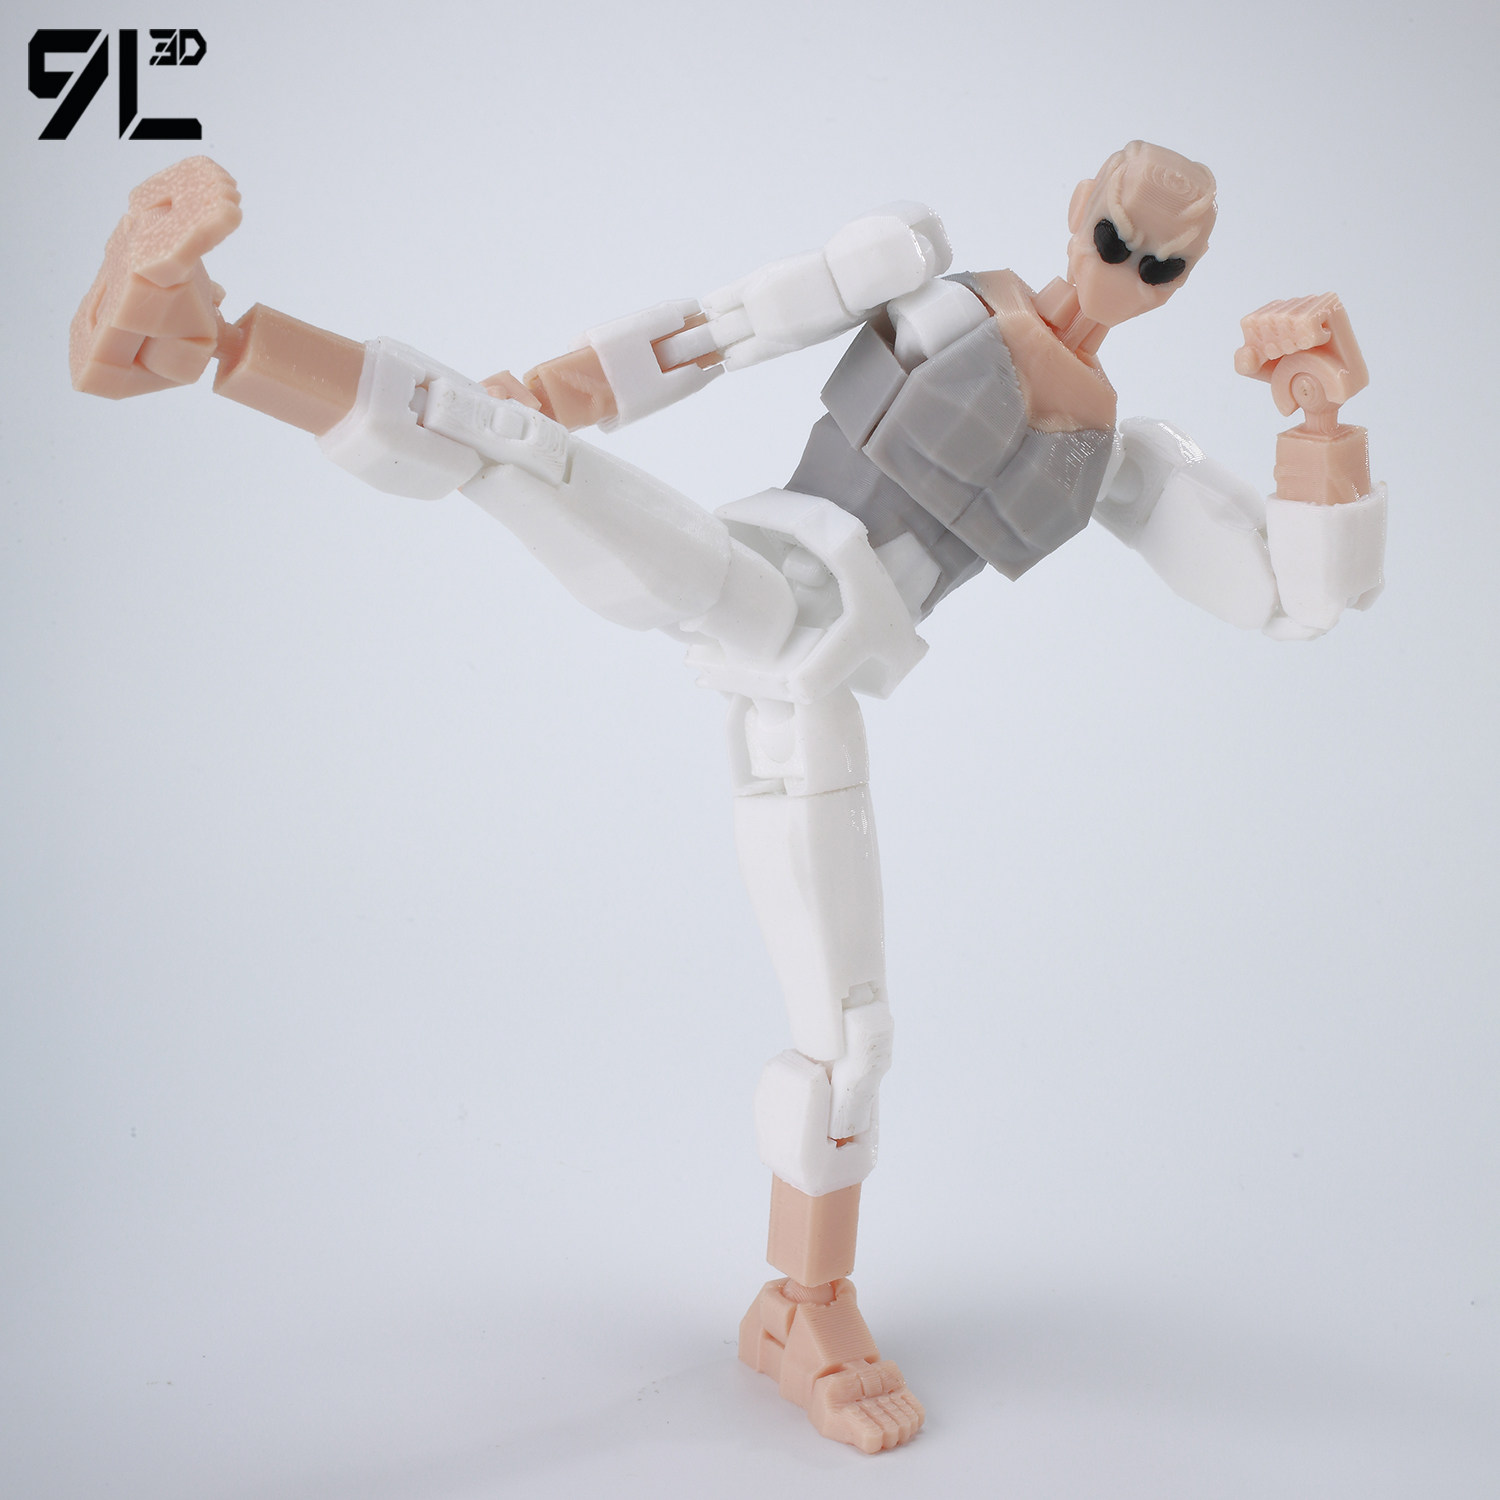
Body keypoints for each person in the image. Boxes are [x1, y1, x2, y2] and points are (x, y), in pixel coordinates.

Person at [70, 141, 1385, 1452]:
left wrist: (1319, 425)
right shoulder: (929, 286)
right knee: (508, 448)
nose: (1124, 274)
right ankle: (199, 339)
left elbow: (1291, 597)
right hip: (763, 577)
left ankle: (803, 1308)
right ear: (1077, 210)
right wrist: (537, 398)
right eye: (1114, 238)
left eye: (1160, 267)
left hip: (825, 681)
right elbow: (716, 332)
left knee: (851, 1038)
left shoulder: (1120, 454)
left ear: (1183, 283)